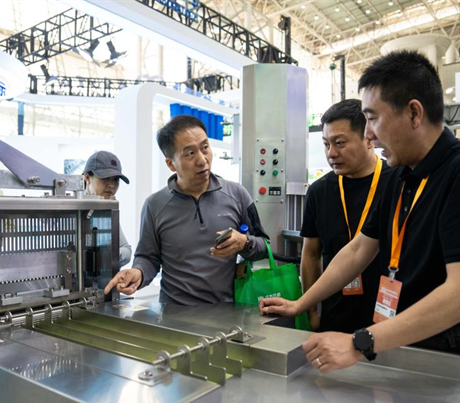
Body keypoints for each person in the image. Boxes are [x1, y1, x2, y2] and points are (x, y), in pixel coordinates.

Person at [260, 50, 460, 373]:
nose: (368, 134)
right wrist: (301, 304)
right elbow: (357, 251)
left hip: (448, 354)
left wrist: (359, 342)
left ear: (414, 113)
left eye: (373, 118)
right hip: (398, 342)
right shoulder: (400, 177)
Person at [105, 114, 268, 305]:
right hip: (174, 315)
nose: (202, 160)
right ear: (170, 164)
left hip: (228, 313)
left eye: (205, 148)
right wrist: (138, 272)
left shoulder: (237, 195)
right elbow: (148, 258)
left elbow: (265, 246)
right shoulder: (154, 205)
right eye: (190, 153)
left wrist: (244, 243)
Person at [300, 99, 394, 333]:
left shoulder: (397, 182)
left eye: (340, 143)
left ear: (369, 139)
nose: (331, 153)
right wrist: (311, 311)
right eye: (326, 144)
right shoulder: (319, 191)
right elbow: (311, 254)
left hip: (390, 317)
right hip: (335, 316)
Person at [83, 151, 132, 267]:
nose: (111, 185)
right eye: (105, 178)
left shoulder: (107, 211)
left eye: (115, 179)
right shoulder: (70, 211)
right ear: (87, 177)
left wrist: (106, 256)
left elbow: (126, 250)